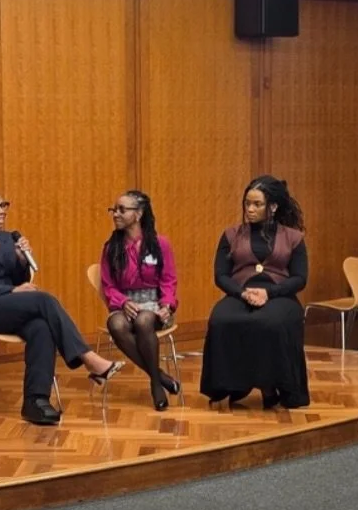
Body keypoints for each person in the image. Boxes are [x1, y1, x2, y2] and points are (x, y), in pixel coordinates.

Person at [0, 189, 125, 426]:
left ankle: (36, 402)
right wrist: (11, 290)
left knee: (41, 327)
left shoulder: (9, 238)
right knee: (43, 299)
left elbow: (17, 278)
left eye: (3, 205)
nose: (1, 210)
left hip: (13, 308)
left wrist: (22, 260)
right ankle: (89, 358)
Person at [200, 175, 310, 409]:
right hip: (241, 292)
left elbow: (300, 278)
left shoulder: (293, 238)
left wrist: (270, 293)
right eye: (247, 204)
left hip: (279, 294)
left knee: (269, 323)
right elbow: (221, 276)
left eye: (257, 204)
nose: (250, 209)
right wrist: (242, 294)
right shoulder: (231, 235)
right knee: (221, 320)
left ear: (273, 206)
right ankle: (233, 384)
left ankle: (271, 387)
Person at [100, 190, 180, 410]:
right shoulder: (111, 248)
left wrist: (167, 305)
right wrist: (122, 302)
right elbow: (108, 285)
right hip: (126, 304)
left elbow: (169, 279)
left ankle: (155, 384)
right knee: (115, 324)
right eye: (113, 209)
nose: (115, 214)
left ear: (139, 214)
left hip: (155, 303)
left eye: (121, 209)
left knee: (144, 320)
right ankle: (160, 377)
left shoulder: (159, 243)